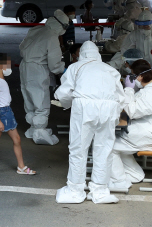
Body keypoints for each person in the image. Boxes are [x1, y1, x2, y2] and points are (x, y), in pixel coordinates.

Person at [54, 41, 125, 204]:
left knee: (78, 148)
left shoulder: (76, 67)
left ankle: (75, 190)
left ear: (82, 54)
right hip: (109, 106)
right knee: (104, 149)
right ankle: (100, 191)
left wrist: (64, 103)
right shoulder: (110, 69)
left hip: (85, 106)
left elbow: (64, 92)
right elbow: (120, 96)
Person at [109, 60, 152, 189]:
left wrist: (128, 90)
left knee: (109, 146)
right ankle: (134, 175)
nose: (132, 79)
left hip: (151, 136)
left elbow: (131, 111)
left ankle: (118, 181)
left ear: (140, 76)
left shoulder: (151, 93)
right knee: (118, 144)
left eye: (133, 76)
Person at [19, 9, 68, 145]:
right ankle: (40, 132)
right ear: (61, 26)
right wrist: (63, 69)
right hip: (37, 69)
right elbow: (54, 63)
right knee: (41, 100)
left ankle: (33, 128)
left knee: (28, 97)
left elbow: (22, 47)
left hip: (25, 66)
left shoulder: (36, 29)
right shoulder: (52, 36)